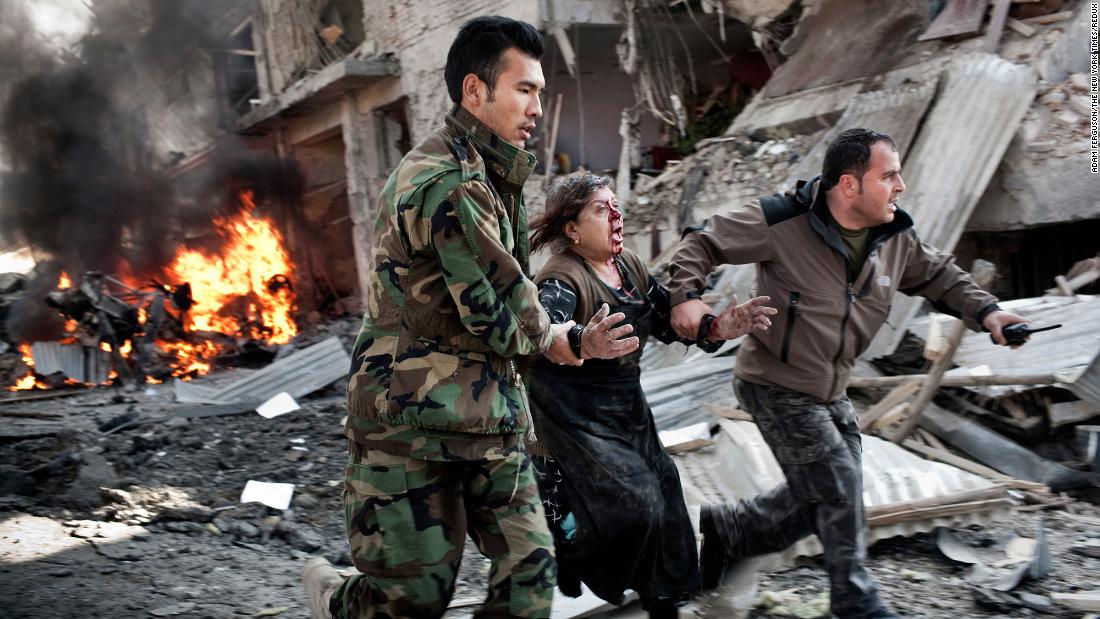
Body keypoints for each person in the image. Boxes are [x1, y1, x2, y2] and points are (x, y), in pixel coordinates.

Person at [302, 17, 640, 619]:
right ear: (474, 92)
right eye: (524, 90)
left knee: (530, 583)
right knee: (410, 601)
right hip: (411, 421)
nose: (538, 106)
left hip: (487, 415)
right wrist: (567, 338)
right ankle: (333, 602)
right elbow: (500, 307)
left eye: (540, 90)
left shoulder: (489, 169)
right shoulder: (450, 181)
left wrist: (561, 341)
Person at [666, 128, 1030, 619]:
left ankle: (731, 530)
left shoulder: (893, 235)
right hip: (775, 383)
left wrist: (988, 313)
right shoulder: (781, 220)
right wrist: (685, 295)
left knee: (823, 495)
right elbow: (702, 242)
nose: (900, 186)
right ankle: (855, 603)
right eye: (889, 175)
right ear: (849, 185)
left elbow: (938, 274)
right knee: (837, 483)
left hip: (830, 388)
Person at [525, 172, 777, 618]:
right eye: (601, 210)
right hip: (571, 414)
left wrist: (719, 325)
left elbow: (667, 319)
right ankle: (566, 541)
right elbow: (544, 332)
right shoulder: (560, 279)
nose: (616, 216)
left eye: (616, 205)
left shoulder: (629, 268)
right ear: (572, 229)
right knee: (637, 505)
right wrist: (584, 339)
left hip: (626, 407)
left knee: (667, 497)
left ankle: (665, 603)